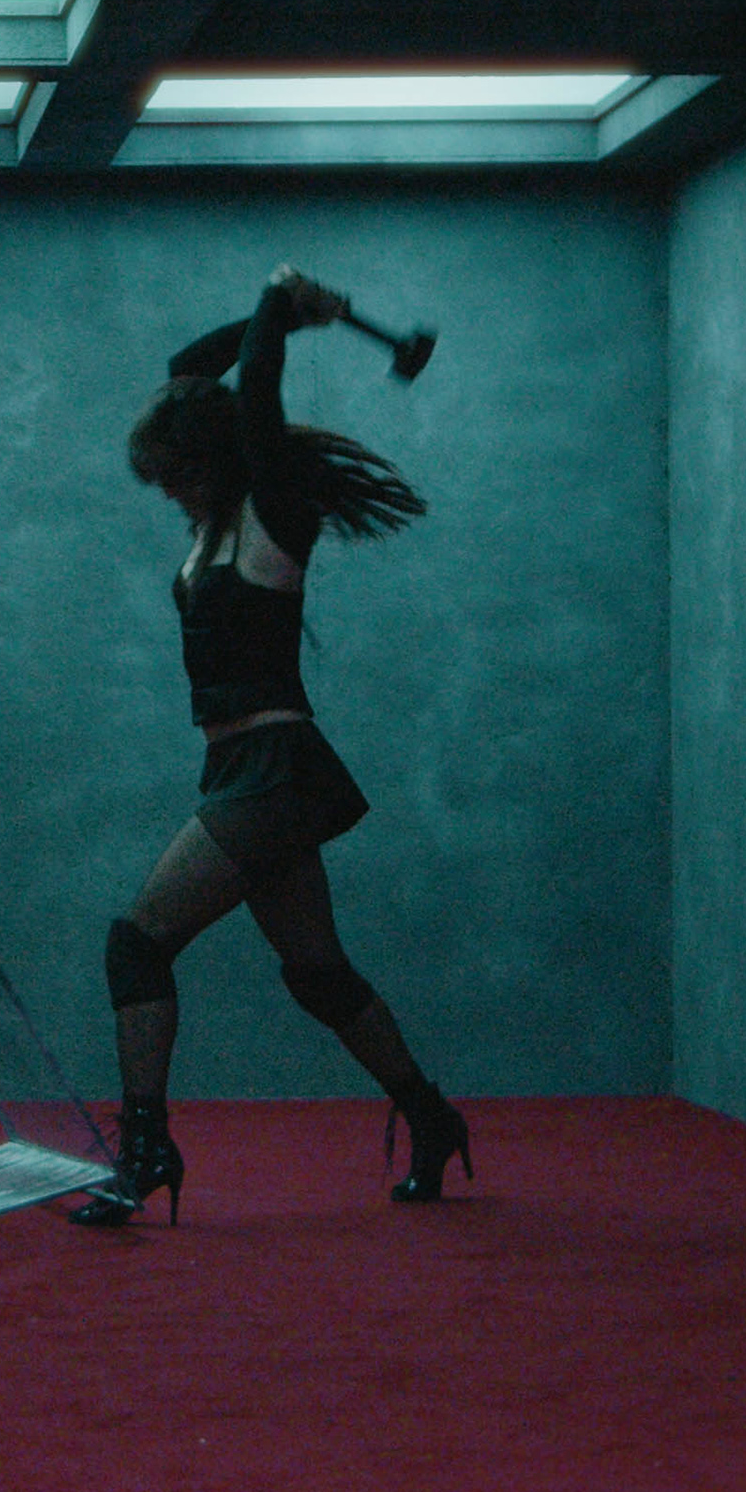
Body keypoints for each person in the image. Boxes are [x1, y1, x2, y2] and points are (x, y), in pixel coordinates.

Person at [73, 265, 471, 1226]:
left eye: (177, 476)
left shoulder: (274, 511)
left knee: (137, 945)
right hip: (240, 773)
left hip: (275, 771)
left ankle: (146, 1150)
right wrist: (289, 314)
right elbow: (191, 371)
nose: (169, 495)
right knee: (317, 972)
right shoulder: (213, 527)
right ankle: (432, 1117)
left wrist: (276, 300)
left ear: (215, 462)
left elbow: (250, 396)